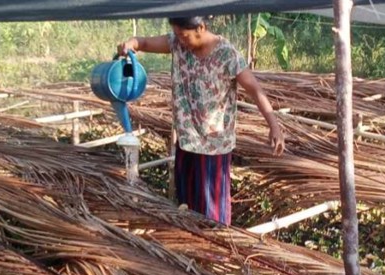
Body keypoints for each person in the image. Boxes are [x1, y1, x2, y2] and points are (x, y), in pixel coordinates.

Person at [117, 16, 285, 226]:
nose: (180, 40)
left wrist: (274, 126)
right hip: (187, 140)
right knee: (186, 205)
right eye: (176, 35)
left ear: (201, 27)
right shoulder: (178, 43)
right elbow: (143, 43)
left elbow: (254, 89)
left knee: (212, 213)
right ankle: (191, 248)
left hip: (213, 146)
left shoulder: (227, 54)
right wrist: (131, 43)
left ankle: (214, 253)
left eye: (184, 35)